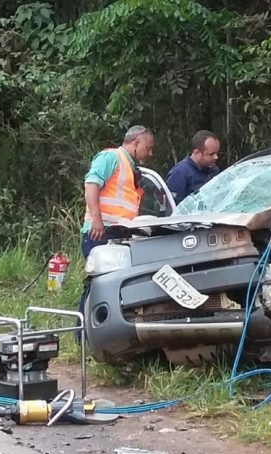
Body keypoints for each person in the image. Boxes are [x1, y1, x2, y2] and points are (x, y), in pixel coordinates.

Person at [77, 125, 155, 330]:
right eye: (148, 147)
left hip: (118, 234)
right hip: (100, 232)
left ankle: (100, 331)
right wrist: (96, 219)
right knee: (96, 285)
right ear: (136, 142)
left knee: (110, 286)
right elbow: (91, 184)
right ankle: (82, 333)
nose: (150, 152)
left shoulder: (131, 168)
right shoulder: (110, 158)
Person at [166, 130, 221, 205]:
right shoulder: (179, 174)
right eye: (211, 154)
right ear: (196, 152)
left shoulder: (214, 170)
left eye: (217, 153)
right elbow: (172, 208)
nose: (216, 157)